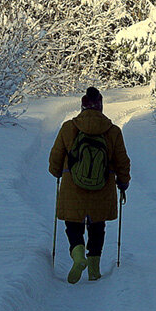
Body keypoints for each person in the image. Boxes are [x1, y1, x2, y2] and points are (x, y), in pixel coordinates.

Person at [49, 86, 131, 283]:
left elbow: (55, 159)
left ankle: (78, 256)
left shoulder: (68, 128)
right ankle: (94, 269)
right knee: (97, 226)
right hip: (102, 189)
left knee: (73, 224)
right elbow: (122, 161)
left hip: (72, 187)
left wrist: (57, 172)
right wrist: (123, 182)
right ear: (101, 107)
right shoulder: (113, 131)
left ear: (82, 108)